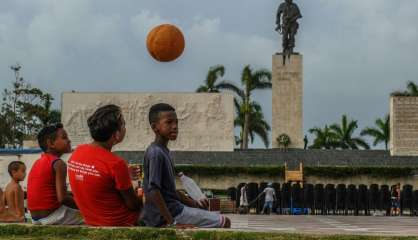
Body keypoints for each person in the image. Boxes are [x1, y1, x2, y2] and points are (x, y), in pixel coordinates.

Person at [142, 103, 231, 228]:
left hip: (174, 210)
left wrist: (194, 204)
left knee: (207, 214)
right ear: (154, 127)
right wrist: (172, 223)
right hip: (171, 215)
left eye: (176, 122)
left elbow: (170, 192)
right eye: (169, 122)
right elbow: (154, 191)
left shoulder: (164, 152)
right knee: (224, 221)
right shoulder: (156, 153)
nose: (175, 127)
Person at [68, 105, 142, 226]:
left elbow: (98, 177)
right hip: (120, 222)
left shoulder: (77, 153)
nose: (125, 128)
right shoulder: (116, 163)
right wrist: (142, 195)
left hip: (91, 220)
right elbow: (133, 205)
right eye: (123, 124)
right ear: (116, 135)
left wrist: (124, 175)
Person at [27, 123, 83, 225]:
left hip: (35, 218)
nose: (69, 140)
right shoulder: (58, 163)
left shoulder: (38, 162)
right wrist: (86, 206)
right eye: (64, 137)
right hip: (53, 216)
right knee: (91, 215)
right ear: (51, 143)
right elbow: (62, 198)